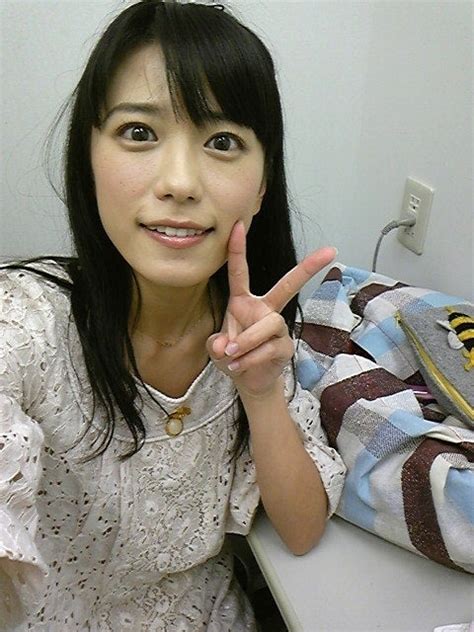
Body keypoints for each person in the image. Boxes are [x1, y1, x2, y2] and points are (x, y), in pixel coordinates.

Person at [0, 1, 346, 629]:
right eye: (139, 132)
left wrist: (260, 391)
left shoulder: (254, 334)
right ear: (88, 157)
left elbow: (301, 531)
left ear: (262, 184)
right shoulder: (22, 325)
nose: (180, 182)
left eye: (222, 142)